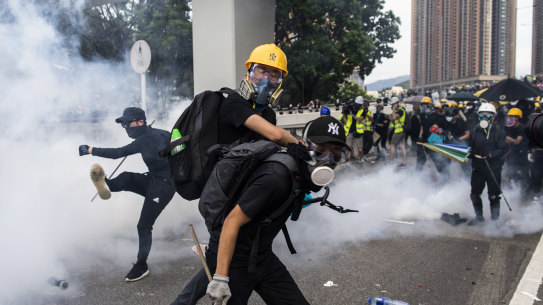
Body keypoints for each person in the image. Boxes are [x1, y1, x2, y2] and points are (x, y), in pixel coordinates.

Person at [171, 43, 300, 305]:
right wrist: (305, 149)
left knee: (224, 256)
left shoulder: (268, 114)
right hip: (222, 198)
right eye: (261, 71)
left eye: (274, 75)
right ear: (248, 72)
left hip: (243, 197)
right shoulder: (234, 104)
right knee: (229, 258)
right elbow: (276, 137)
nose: (266, 79)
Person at [172, 116, 350, 305]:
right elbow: (232, 220)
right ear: (305, 145)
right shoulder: (277, 177)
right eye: (321, 151)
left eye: (336, 153)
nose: (328, 160)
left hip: (261, 256)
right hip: (236, 261)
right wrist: (222, 278)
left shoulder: (299, 173)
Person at [78, 107, 176, 282]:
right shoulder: (160, 132)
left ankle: (141, 265)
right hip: (155, 181)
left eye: (127, 123)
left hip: (164, 187)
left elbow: (117, 154)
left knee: (143, 226)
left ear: (140, 122)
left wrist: (91, 150)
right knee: (127, 177)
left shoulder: (145, 139)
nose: (125, 127)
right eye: (123, 124)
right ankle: (107, 185)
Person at [467, 103, 508, 225]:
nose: (485, 117)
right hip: (478, 168)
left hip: (493, 169)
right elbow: (470, 147)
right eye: (482, 114)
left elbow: (504, 149)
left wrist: (491, 155)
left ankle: (494, 222)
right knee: (475, 194)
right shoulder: (475, 131)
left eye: (488, 115)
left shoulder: (499, 132)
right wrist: (470, 154)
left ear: (493, 116)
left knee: (493, 196)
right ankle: (479, 217)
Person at [503, 108, 529, 189]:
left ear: (517, 118)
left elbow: (517, 141)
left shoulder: (521, 128)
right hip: (511, 153)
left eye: (512, 117)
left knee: (522, 172)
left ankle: (525, 188)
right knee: (510, 171)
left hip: (521, 154)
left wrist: (507, 138)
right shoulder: (509, 128)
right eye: (509, 117)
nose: (510, 119)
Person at [339, 96, 365, 165]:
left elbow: (360, 119)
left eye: (360, 105)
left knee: (360, 149)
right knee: (348, 148)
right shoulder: (350, 109)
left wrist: (353, 115)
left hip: (358, 133)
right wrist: (344, 113)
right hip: (349, 132)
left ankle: (361, 159)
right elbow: (346, 121)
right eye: (357, 104)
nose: (358, 106)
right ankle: (348, 164)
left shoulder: (363, 111)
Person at [389, 98, 407, 166]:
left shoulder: (400, 111)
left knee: (392, 145)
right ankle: (404, 162)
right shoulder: (401, 110)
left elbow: (394, 117)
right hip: (401, 131)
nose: (392, 106)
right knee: (402, 146)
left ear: (396, 104)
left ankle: (391, 161)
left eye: (393, 104)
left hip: (398, 131)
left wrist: (394, 109)